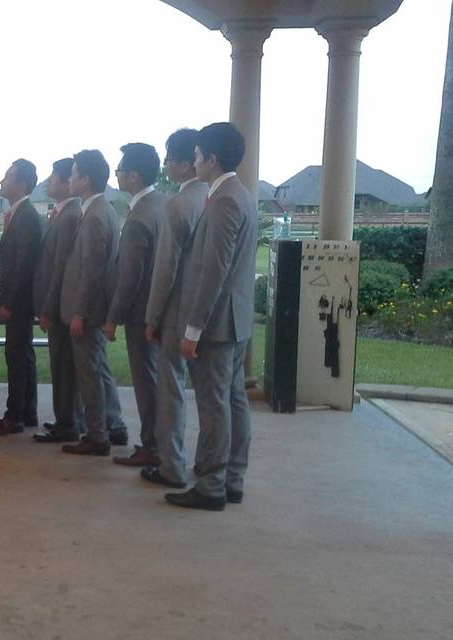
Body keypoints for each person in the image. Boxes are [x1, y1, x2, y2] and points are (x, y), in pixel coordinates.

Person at [165, 122, 257, 511]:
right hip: (234, 321)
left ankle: (211, 485)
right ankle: (231, 478)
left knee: (214, 403)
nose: (194, 162)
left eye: (198, 155)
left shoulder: (225, 200)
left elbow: (213, 269)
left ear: (211, 159)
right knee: (233, 400)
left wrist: (193, 328)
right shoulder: (241, 194)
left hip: (217, 325)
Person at [140, 128, 206, 489]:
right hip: (211, 313)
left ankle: (172, 465)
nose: (166, 166)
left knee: (172, 391)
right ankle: (212, 470)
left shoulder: (179, 204)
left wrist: (152, 317)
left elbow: (165, 270)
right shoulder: (218, 197)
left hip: (178, 313)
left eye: (169, 159)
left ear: (183, 164)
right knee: (217, 398)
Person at [106, 143, 167, 468]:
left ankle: (152, 446)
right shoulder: (161, 204)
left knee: (146, 383)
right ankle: (160, 443)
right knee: (157, 380)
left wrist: (113, 317)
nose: (117, 175)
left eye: (120, 170)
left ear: (133, 175)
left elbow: (129, 276)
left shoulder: (140, 215)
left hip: (141, 312)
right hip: (159, 310)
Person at [59, 150, 121, 457]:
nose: (69, 179)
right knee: (94, 371)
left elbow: (92, 268)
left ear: (85, 179)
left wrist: (79, 312)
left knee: (90, 374)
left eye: (73, 173)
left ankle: (97, 435)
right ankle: (104, 428)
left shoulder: (96, 214)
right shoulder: (96, 209)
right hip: (89, 308)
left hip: (87, 310)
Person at [0, 159, 42, 436]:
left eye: (8, 177)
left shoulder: (26, 215)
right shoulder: (18, 214)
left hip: (18, 301)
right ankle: (27, 411)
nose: (2, 181)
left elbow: (24, 265)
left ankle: (14, 415)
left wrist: (9, 303)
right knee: (23, 355)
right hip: (18, 299)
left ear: (22, 184)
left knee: (16, 357)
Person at [32, 159, 83, 443]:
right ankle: (66, 418)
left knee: (64, 367)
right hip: (55, 303)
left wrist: (48, 307)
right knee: (60, 364)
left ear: (67, 183)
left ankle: (68, 423)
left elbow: (61, 265)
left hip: (61, 304)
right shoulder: (60, 213)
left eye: (54, 177)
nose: (49, 181)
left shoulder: (70, 215)